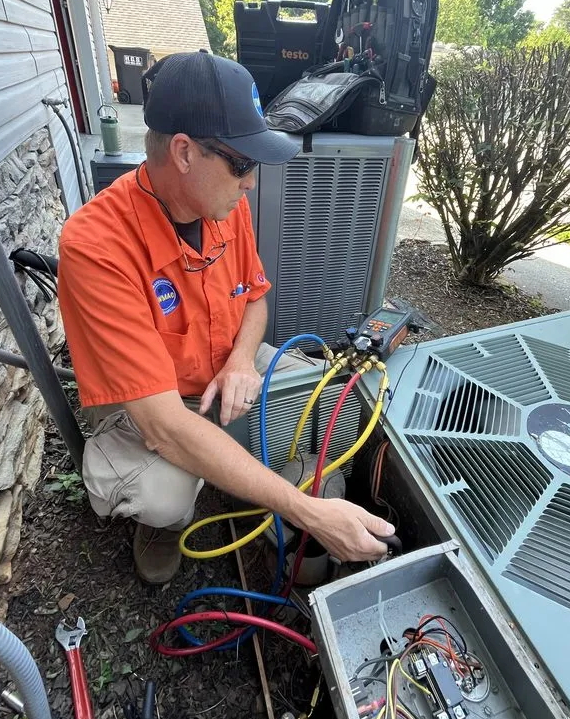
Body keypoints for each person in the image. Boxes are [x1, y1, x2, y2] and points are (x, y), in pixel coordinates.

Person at [57, 52, 393, 583]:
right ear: (184, 152)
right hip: (153, 405)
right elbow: (164, 425)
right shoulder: (96, 247)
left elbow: (255, 298)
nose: (252, 182)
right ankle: (168, 523)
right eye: (242, 163)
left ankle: (269, 476)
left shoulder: (223, 206)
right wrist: (305, 512)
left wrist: (240, 360)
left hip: (224, 366)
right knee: (165, 494)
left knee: (331, 402)